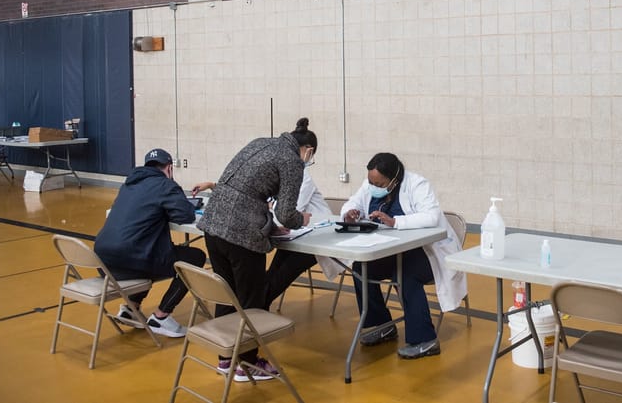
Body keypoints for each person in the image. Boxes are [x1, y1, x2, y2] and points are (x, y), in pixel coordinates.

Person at [194, 118, 314, 382]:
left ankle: (226, 358)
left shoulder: (260, 142)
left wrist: (267, 223)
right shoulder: (293, 161)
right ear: (308, 150)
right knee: (251, 299)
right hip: (242, 234)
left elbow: (239, 188)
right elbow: (285, 212)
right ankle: (247, 364)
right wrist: (300, 220)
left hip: (213, 223)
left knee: (226, 291)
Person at [341, 152, 467, 359]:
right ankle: (382, 325)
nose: (374, 187)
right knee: (361, 268)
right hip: (391, 249)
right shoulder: (371, 184)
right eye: (371, 182)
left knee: (405, 274)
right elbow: (353, 202)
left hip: (428, 252)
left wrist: (395, 222)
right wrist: (351, 212)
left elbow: (432, 217)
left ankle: (425, 340)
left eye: (379, 184)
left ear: (394, 180)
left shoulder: (417, 185)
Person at [94, 148, 206, 338]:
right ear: (170, 168)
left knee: (150, 252)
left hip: (103, 261)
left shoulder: (129, 184)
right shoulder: (165, 185)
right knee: (195, 257)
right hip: (131, 261)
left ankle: (132, 307)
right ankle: (161, 316)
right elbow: (185, 215)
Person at [263, 121, 340, 309]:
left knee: (286, 270)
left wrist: (273, 205)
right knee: (276, 267)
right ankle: (258, 303)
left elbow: (287, 211)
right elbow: (284, 211)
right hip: (296, 233)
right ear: (308, 150)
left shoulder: (304, 177)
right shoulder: (289, 169)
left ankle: (258, 304)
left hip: (319, 238)